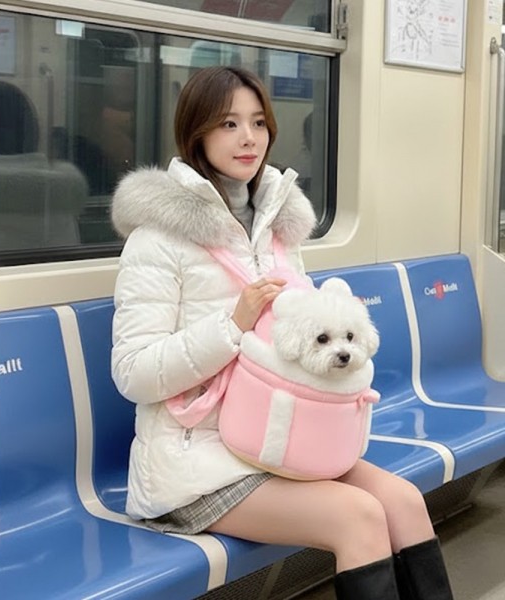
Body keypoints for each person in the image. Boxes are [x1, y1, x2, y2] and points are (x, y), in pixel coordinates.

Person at [110, 66, 454, 600]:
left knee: (404, 501)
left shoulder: (277, 232)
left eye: (258, 123)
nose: (248, 138)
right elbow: (132, 374)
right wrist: (233, 325)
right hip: (194, 464)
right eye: (228, 124)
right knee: (359, 516)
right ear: (196, 133)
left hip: (283, 441)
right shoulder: (157, 241)